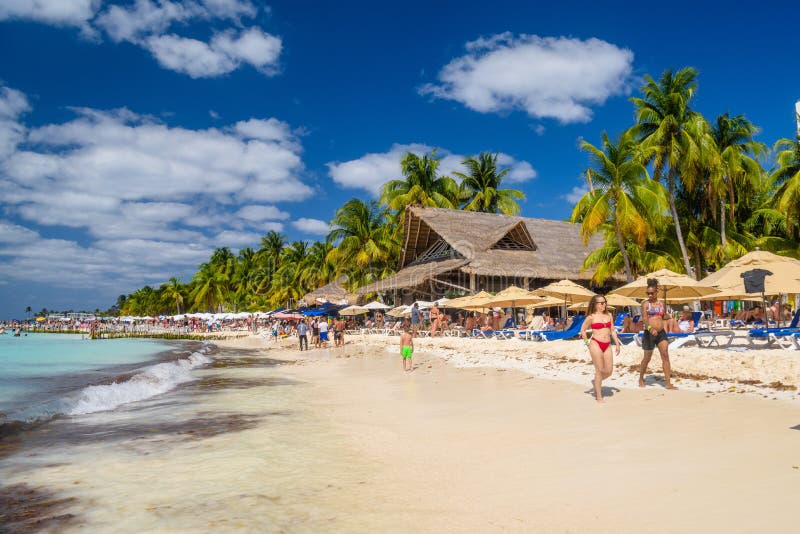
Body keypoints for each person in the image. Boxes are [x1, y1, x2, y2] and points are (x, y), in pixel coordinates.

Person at [580, 294, 621, 403]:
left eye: (605, 302)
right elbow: (583, 330)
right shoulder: (591, 317)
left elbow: (612, 330)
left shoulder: (609, 315)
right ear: (596, 305)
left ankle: (596, 382)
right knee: (599, 370)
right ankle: (599, 396)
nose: (604, 304)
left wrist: (617, 344)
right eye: (602, 303)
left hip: (607, 344)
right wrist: (586, 343)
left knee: (608, 371)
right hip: (595, 344)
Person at [639, 279, 677, 390]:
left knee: (665, 355)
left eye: (652, 293)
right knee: (647, 358)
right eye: (648, 293)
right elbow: (645, 319)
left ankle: (668, 383)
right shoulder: (645, 304)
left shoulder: (661, 304)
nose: (650, 295)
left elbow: (663, 316)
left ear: (656, 292)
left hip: (661, 333)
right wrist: (650, 329)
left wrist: (670, 316)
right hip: (649, 333)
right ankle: (641, 378)